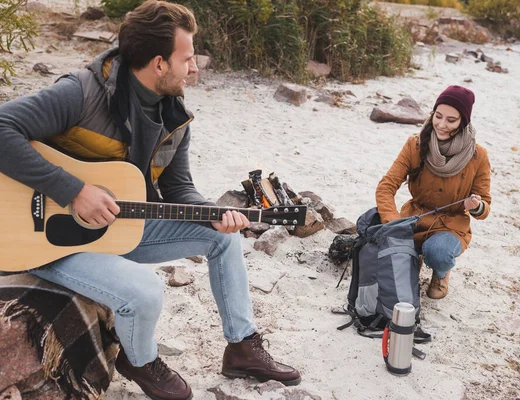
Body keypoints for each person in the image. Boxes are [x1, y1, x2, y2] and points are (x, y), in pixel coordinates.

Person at [0, 2, 300, 399]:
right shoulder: (80, 92)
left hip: (118, 227)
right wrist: (73, 190)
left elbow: (179, 192)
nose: (194, 68)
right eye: (188, 58)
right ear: (159, 63)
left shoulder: (175, 118)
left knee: (223, 239)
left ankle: (242, 346)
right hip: (46, 237)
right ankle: (139, 360)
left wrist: (212, 214)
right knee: (145, 291)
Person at [375, 85, 491, 300]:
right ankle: (413, 257)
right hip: (413, 219)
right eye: (438, 116)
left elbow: (485, 206)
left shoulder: (478, 156)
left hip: (451, 225)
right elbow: (386, 187)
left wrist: (477, 206)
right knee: (392, 255)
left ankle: (441, 273)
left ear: (463, 121)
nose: (441, 125)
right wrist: (392, 222)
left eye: (451, 120)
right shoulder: (415, 145)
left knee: (438, 253)